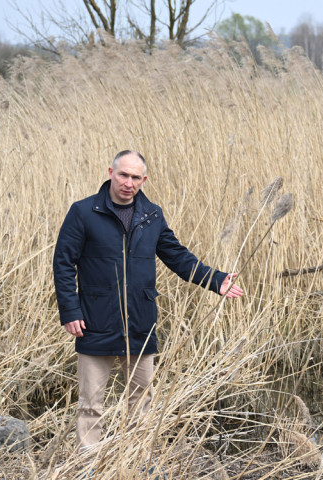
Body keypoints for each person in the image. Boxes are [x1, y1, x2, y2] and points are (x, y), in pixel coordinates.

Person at [53, 150, 243, 452]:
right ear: (111, 172)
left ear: (144, 180)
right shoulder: (83, 212)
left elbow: (177, 256)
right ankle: (85, 467)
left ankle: (135, 462)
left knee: (141, 402)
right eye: (123, 175)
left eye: (135, 177)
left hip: (140, 320)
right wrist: (69, 310)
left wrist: (215, 279)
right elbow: (63, 263)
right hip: (94, 319)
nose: (128, 183)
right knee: (91, 404)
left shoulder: (151, 215)